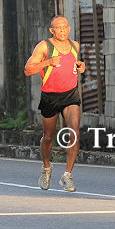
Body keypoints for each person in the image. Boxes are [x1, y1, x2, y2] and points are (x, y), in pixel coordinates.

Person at [24, 16, 85, 192]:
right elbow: (28, 70)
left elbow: (74, 66)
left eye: (65, 27)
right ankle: (46, 168)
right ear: (52, 30)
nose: (62, 30)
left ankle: (67, 176)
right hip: (50, 97)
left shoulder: (75, 46)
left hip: (70, 95)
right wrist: (48, 62)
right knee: (48, 137)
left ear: (69, 28)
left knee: (74, 132)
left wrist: (81, 66)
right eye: (58, 27)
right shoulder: (44, 46)